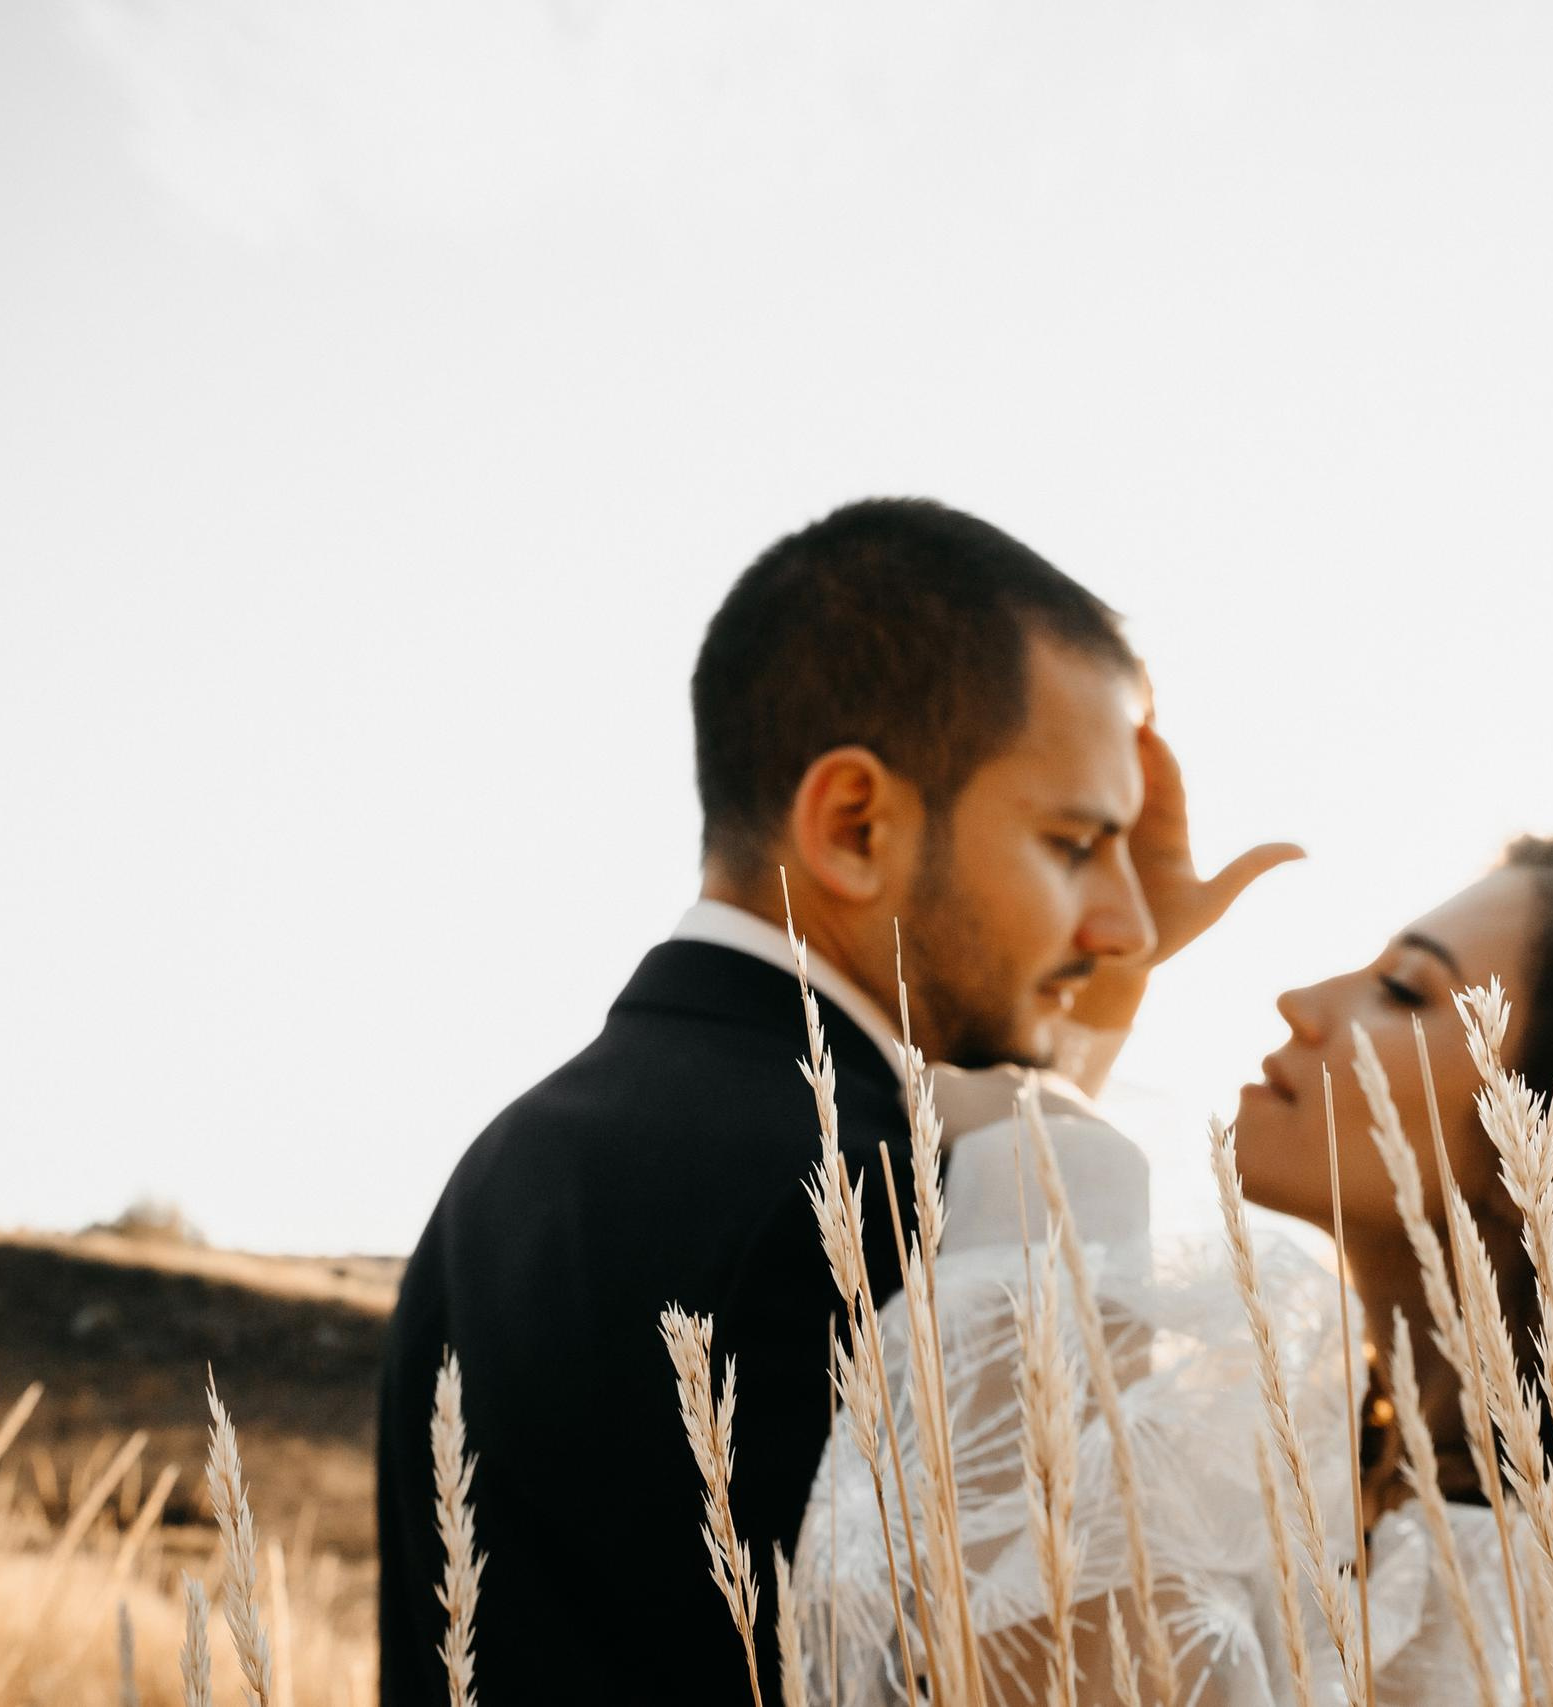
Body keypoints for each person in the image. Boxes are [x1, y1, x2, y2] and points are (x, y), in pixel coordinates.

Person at [377, 496, 1296, 1704]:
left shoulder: (515, 1161)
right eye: (1075, 843)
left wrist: (1082, 989)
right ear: (854, 826)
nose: (1127, 920)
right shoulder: (888, 1196)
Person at [800, 837, 1553, 1707]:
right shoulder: (1389, 1488)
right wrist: (1068, 1044)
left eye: (1404, 989)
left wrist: (1045, 1173)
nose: (1298, 1000)